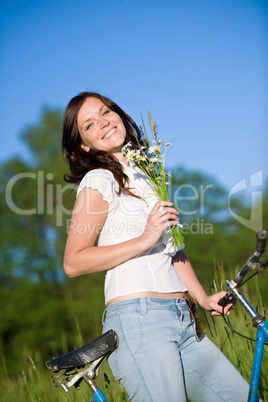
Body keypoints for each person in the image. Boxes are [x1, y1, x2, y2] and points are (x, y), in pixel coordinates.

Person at [62, 91, 249, 401]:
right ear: (84, 144)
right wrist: (145, 237)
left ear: (118, 113)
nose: (104, 123)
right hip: (140, 320)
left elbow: (170, 247)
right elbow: (73, 262)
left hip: (182, 318)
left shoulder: (146, 175)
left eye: (106, 112)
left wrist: (202, 298)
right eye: (90, 125)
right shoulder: (99, 179)